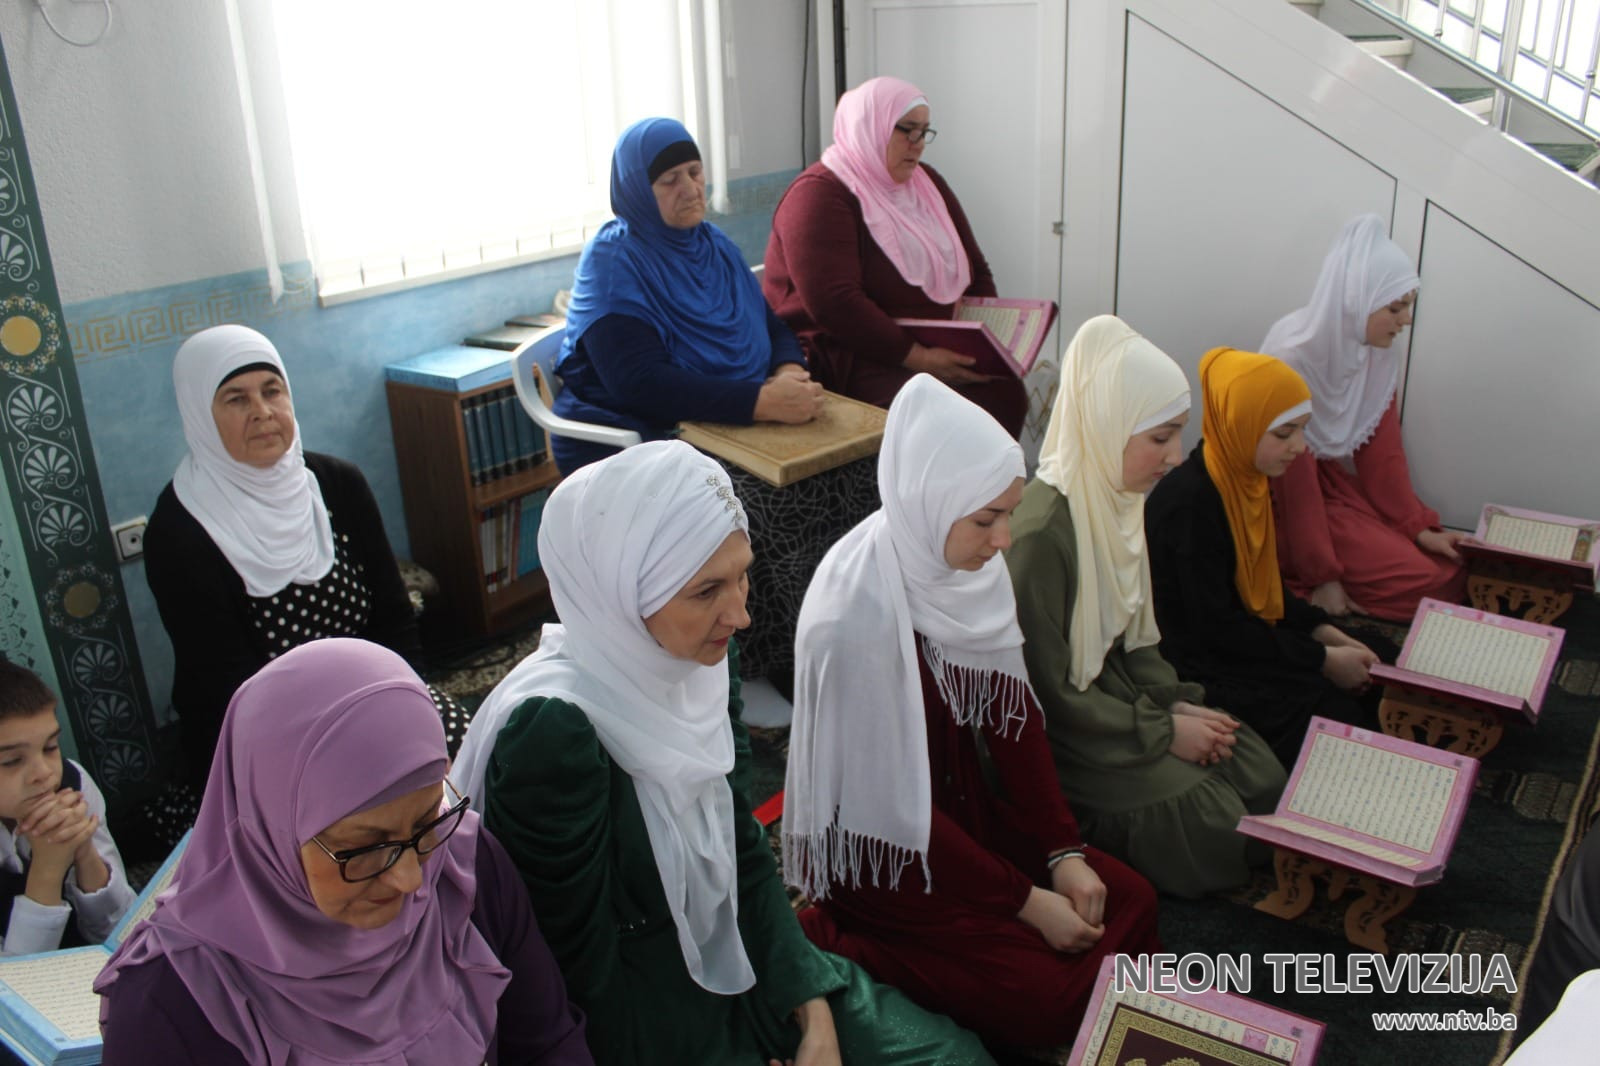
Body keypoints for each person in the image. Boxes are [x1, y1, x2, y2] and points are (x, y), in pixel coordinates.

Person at [452, 440, 992, 1066]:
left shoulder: (704, 662)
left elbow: (739, 842)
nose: (740, 614)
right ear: (623, 592)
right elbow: (573, 974)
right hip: (645, 1017)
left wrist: (809, 1000)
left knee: (956, 1058)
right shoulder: (555, 733)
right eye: (707, 590)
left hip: (741, 951)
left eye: (742, 576)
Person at [784, 375, 1162, 1050]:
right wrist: (1026, 900)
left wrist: (1062, 852)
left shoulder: (968, 572)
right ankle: (837, 938)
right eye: (987, 519)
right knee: (1046, 999)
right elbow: (893, 807)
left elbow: (1014, 725)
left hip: (963, 822)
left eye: (1008, 514)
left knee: (1131, 898)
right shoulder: (852, 619)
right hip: (886, 859)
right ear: (929, 502)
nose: (1004, 539)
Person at [94, 638, 591, 1065]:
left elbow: (548, 1043)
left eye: (426, 823)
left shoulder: (464, 870)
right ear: (272, 827)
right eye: (365, 848)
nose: (410, 880)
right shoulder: (171, 1004)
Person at [1005, 317, 1285, 897]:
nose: (1176, 456)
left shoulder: (1118, 498)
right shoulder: (1042, 536)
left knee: (1259, 773)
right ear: (1108, 424)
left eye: (1178, 435)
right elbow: (1045, 693)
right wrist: (1159, 732)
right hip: (1071, 734)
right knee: (1214, 820)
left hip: (1118, 705)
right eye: (1160, 438)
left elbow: (1138, 644)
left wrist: (1175, 707)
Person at [145, 325, 466, 803]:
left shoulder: (337, 483)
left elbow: (394, 617)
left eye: (272, 391)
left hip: (376, 697)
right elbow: (227, 687)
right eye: (236, 399)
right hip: (268, 740)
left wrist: (411, 711)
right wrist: (354, 748)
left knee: (473, 765)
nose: (262, 412)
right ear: (199, 415)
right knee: (362, 815)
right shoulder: (179, 532)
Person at [1145, 348, 1384, 767]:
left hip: (1241, 638)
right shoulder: (1189, 506)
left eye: (1302, 431)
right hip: (1200, 664)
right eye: (1284, 433)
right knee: (1332, 712)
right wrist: (1322, 660)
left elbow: (1266, 590)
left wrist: (1325, 633)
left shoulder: (1244, 482)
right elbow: (1216, 630)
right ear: (1242, 424)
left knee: (1379, 657)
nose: (1299, 447)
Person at [552, 116, 824, 475]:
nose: (691, 189)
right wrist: (762, 402)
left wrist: (789, 372)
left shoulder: (714, 245)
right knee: (782, 496)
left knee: (841, 470)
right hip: (631, 437)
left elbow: (770, 326)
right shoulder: (614, 263)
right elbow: (639, 383)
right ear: (637, 189)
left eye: (695, 172)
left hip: (725, 418)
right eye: (670, 180)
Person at [763, 76, 1028, 438]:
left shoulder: (925, 183)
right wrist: (919, 357)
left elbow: (975, 270)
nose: (917, 144)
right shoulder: (819, 195)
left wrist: (984, 343)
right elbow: (835, 303)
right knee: (942, 417)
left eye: (924, 132)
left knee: (1004, 391)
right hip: (847, 352)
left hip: (925, 345)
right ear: (870, 126)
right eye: (906, 130)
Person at [1261, 214, 1465, 621]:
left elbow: (1382, 455)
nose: (1406, 320)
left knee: (1450, 569)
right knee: (1425, 585)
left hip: (1326, 489)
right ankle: (1293, 582)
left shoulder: (1376, 353)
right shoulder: (1292, 357)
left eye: (1408, 306)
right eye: (1395, 307)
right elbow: (1292, 483)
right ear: (1357, 301)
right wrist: (1322, 575)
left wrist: (1418, 528)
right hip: (1280, 497)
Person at [0, 660, 133, 955]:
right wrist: (47, 871)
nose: (44, 773)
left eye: (50, 747)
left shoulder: (73, 783)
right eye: (11, 761)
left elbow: (125, 935)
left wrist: (84, 853)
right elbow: (17, 981)